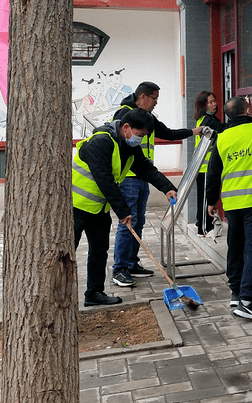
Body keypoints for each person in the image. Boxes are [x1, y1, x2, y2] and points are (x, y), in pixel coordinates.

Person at [73, 108, 178, 306]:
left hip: (98, 209)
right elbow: (105, 180)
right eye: (140, 135)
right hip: (75, 208)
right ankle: (58, 298)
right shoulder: (102, 141)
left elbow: (146, 169)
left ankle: (94, 293)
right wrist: (123, 211)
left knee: (99, 251)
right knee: (67, 253)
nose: (140, 139)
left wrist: (167, 188)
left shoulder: (128, 147)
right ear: (126, 127)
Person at [110, 81, 201, 288]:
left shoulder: (148, 118)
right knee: (129, 223)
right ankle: (120, 269)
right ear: (143, 96)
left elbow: (167, 133)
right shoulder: (125, 114)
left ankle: (131, 263)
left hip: (143, 174)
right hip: (128, 176)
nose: (156, 104)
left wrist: (193, 132)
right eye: (154, 99)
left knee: (139, 221)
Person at [206, 96, 252, 321]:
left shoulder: (223, 137)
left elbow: (213, 173)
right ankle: (246, 302)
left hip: (233, 204)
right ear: (248, 109)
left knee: (235, 247)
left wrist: (210, 201)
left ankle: (236, 293)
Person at [193, 90, 226, 235]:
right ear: (203, 105)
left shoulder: (202, 120)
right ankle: (205, 228)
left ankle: (201, 223)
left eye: (214, 101)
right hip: (206, 167)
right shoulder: (209, 122)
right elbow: (225, 130)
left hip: (202, 167)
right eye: (210, 102)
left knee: (203, 199)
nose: (215, 104)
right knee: (206, 200)